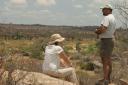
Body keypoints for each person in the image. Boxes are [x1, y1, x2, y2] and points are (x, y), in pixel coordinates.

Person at [95, 4, 116, 85]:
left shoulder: (107, 18)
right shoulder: (113, 18)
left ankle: (105, 80)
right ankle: (108, 79)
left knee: (105, 61)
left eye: (104, 9)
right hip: (110, 40)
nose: (102, 10)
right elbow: (114, 31)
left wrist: (97, 31)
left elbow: (104, 28)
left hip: (106, 41)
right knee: (108, 60)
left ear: (109, 10)